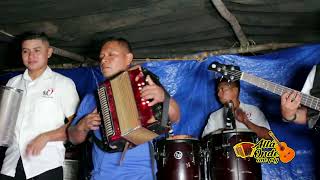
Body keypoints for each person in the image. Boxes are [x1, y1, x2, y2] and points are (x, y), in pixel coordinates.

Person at [67, 37, 180, 180]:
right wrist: (82, 126)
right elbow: (73, 138)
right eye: (101, 57)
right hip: (102, 175)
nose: (103, 60)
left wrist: (164, 97)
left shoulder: (147, 85)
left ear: (128, 58)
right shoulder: (91, 98)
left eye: (111, 55)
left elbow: (175, 118)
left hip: (140, 175)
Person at [0, 32, 80, 180]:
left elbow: (76, 125)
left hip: (45, 165)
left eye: (37, 50)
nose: (31, 56)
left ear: (49, 52)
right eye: (26, 51)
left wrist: (46, 137)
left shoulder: (63, 83)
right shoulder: (13, 83)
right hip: (11, 163)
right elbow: (4, 125)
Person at [202, 77, 271, 139]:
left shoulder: (254, 110)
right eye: (218, 90)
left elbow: (268, 136)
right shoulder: (214, 116)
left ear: (235, 91)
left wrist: (246, 121)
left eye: (223, 89)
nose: (218, 94)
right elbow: (205, 141)